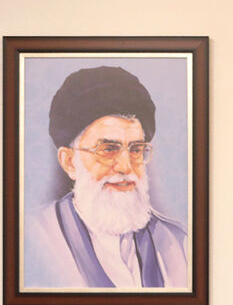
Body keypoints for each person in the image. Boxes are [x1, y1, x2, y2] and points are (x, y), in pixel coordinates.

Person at [24, 65, 188, 289]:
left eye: (136, 149)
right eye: (108, 149)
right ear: (69, 161)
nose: (126, 167)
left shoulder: (177, 243)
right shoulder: (33, 238)